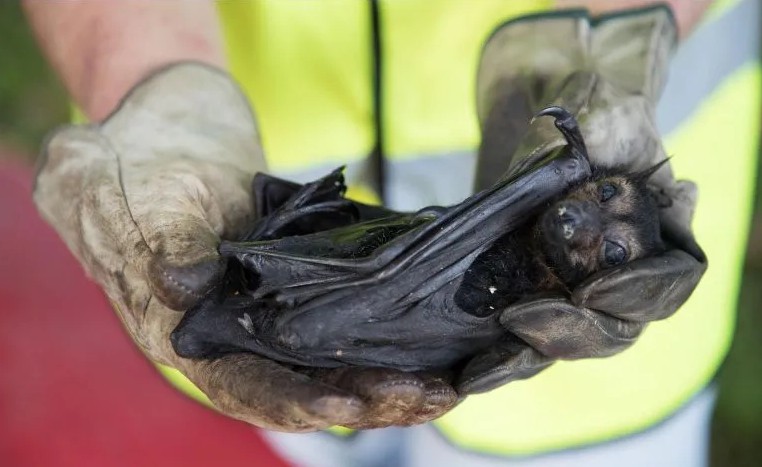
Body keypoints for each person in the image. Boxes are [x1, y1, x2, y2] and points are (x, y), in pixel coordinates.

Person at [25, 0, 760, 465]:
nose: (587, 227)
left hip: (591, 407)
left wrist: (611, 36)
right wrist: (149, 87)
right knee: (291, 404)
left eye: (610, 253)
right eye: (603, 199)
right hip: (263, 243)